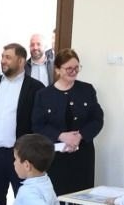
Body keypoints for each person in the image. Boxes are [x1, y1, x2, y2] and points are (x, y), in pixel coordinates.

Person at [0, 42, 42, 205]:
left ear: (21, 61)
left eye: (8, 57)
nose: (3, 61)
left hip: (21, 156)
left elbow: (38, 124)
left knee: (25, 203)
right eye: (3, 57)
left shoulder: (35, 88)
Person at [32, 49, 104, 196]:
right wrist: (61, 136)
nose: (74, 72)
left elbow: (97, 119)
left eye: (77, 68)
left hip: (82, 155)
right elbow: (38, 125)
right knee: (56, 197)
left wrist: (80, 136)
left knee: (81, 197)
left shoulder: (87, 90)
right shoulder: (43, 95)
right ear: (58, 69)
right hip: (55, 157)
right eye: (69, 68)